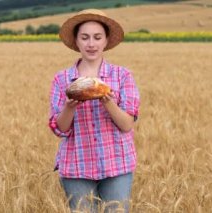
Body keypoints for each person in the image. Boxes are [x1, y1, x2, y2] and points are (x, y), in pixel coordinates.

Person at [48, 9, 140, 212]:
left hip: (117, 162)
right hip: (76, 164)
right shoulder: (62, 79)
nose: (91, 44)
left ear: (106, 41)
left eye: (97, 37)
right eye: (85, 37)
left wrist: (108, 102)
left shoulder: (122, 76)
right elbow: (59, 129)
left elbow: (127, 125)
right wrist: (69, 107)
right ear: (77, 41)